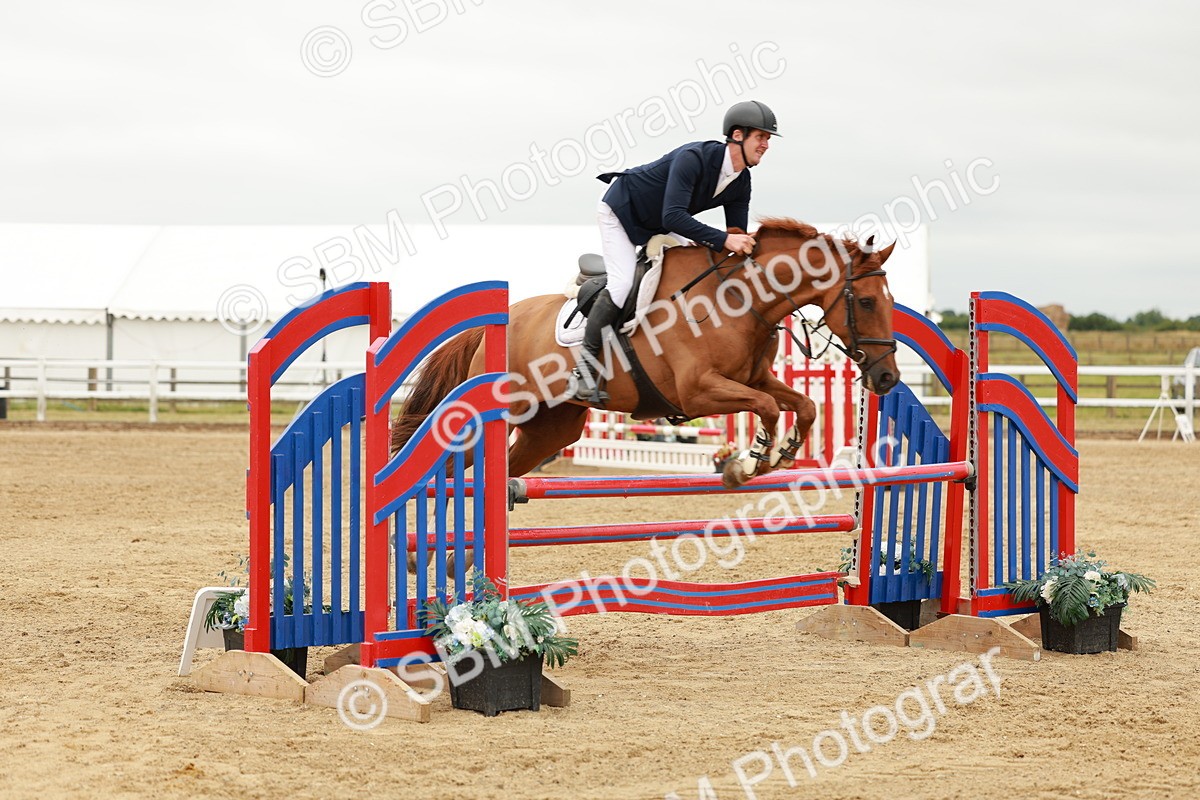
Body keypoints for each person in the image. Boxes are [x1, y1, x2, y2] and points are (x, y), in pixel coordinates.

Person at [571, 100, 781, 405]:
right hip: (622, 211)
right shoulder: (694, 158)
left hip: (661, 221)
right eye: (760, 137)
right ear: (738, 135)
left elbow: (734, 237)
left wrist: (751, 247)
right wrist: (724, 239)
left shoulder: (741, 181)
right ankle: (583, 373)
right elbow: (674, 217)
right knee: (622, 283)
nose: (765, 145)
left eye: (768, 139)